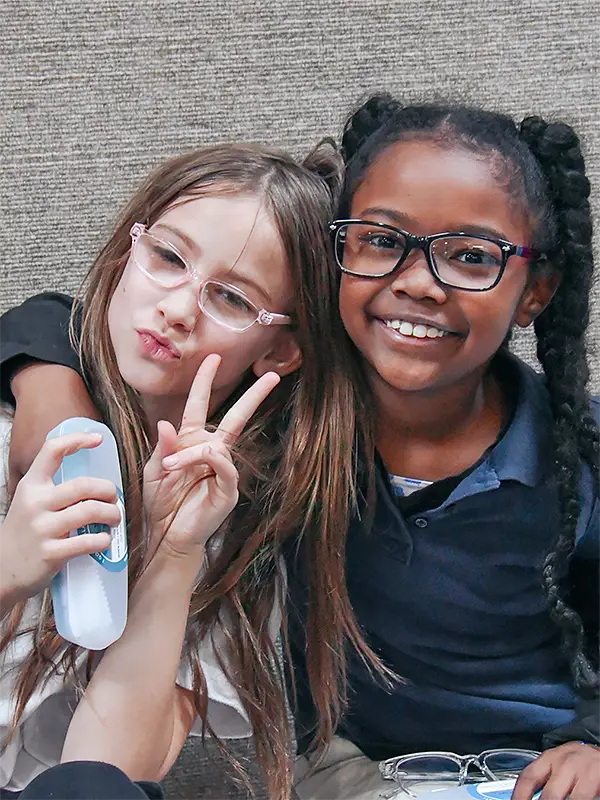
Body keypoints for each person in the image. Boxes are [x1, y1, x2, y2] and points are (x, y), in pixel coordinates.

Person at [3, 94, 600, 800]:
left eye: (470, 257)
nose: (418, 283)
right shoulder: (274, 449)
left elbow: (107, 770)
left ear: (535, 292)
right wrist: (58, 416)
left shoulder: (571, 454)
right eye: (382, 241)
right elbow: (51, 319)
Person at [0, 141, 376, 800]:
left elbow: (108, 774)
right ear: (129, 248)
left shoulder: (225, 522)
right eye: (167, 258)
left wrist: (175, 553)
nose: (177, 309)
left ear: (281, 349)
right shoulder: (16, 426)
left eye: (230, 298)